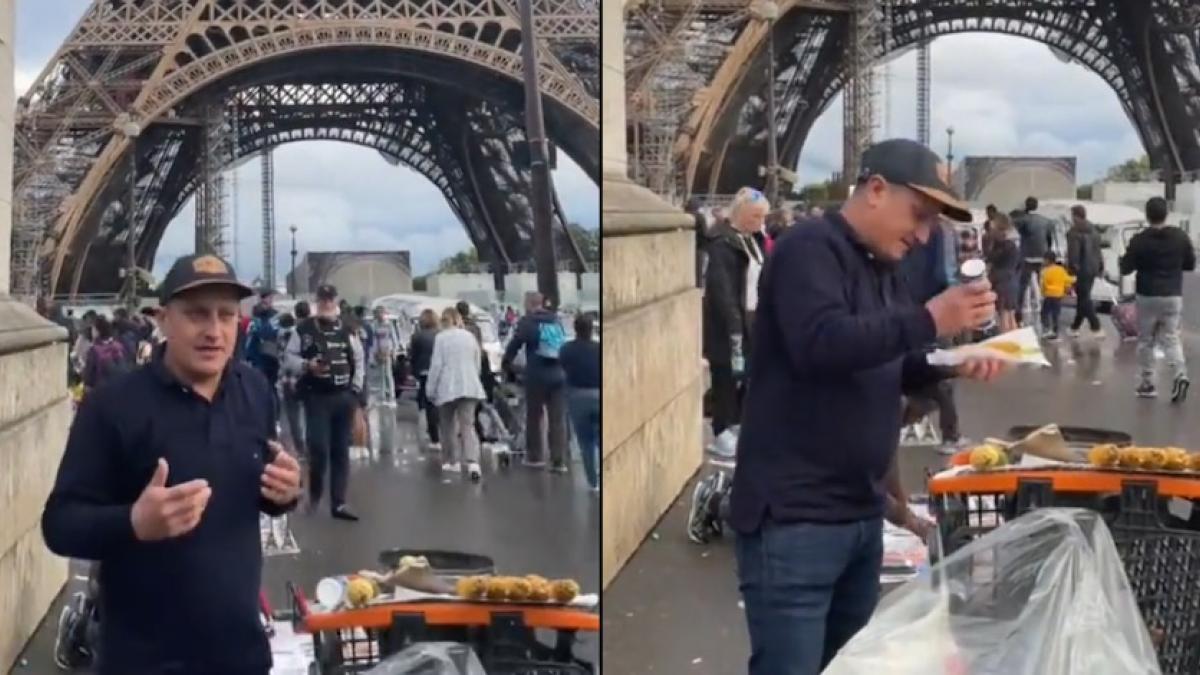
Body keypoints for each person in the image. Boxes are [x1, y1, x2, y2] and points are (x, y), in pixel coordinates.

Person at [730, 139, 1008, 675]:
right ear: (876, 190)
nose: (924, 234)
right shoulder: (807, 249)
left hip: (859, 515)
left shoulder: (883, 267)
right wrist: (931, 319)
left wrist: (956, 359)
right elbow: (822, 344)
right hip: (795, 519)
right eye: (919, 215)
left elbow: (887, 363)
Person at [42, 253, 302, 675]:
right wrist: (133, 522)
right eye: (196, 314)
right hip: (144, 661)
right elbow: (59, 525)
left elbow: (250, 493)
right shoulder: (112, 407)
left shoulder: (254, 391)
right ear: (163, 319)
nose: (214, 331)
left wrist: (284, 494)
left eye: (226, 314)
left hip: (241, 654)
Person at [284, 284, 363, 520]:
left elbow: (358, 358)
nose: (327, 303)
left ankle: (339, 503)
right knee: (318, 449)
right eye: (323, 299)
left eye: (330, 299)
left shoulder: (348, 329)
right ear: (316, 302)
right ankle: (315, 494)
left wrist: (355, 391)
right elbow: (288, 357)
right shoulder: (303, 329)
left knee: (341, 451)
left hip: (343, 397)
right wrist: (308, 366)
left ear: (336, 301)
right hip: (316, 397)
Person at [703, 187, 768, 438]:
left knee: (747, 374)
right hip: (732, 320)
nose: (760, 222)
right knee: (727, 376)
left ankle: (737, 423)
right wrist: (734, 325)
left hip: (753, 316)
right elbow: (723, 290)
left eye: (762, 217)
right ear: (740, 213)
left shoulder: (751, 240)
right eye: (755, 216)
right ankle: (722, 429)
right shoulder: (722, 243)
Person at [1120, 196, 1195, 401]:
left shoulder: (1139, 239)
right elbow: (1190, 264)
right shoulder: (1180, 236)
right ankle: (1180, 373)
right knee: (1171, 338)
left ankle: (1148, 383)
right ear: (1166, 214)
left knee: (1146, 340)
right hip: (1172, 294)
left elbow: (1125, 268)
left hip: (1147, 295)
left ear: (1147, 215)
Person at [501, 292, 570, 471]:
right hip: (559, 374)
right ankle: (558, 461)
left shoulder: (528, 322)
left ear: (530, 303)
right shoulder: (555, 320)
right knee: (557, 419)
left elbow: (514, 345)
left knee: (534, 416)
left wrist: (506, 364)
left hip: (537, 375)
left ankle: (535, 457)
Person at [427, 307, 487, 480]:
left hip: (447, 387)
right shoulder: (469, 336)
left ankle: (451, 460)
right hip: (470, 385)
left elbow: (437, 365)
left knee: (447, 425)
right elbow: (477, 361)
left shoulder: (441, 338)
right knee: (468, 425)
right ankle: (473, 462)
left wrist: (430, 389)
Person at [560, 314, 600, 492]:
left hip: (576, 396)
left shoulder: (566, 349)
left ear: (575, 329)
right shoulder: (599, 348)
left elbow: (563, 370)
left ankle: (593, 482)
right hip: (598, 394)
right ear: (592, 329)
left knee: (585, 442)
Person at [1014, 196, 1056, 324]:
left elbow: (1018, 232)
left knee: (1023, 286)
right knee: (1042, 284)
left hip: (1027, 257)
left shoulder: (1023, 220)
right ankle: (1045, 313)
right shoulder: (1047, 221)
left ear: (1026, 206)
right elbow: (1049, 240)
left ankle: (1019, 317)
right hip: (1042, 257)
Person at [1065, 204, 1105, 338]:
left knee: (1084, 298)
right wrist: (1101, 267)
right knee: (1083, 297)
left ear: (1075, 216)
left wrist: (1071, 269)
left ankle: (1096, 326)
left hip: (1081, 269)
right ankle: (1075, 327)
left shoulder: (1074, 232)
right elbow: (1098, 251)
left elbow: (1073, 253)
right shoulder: (1094, 231)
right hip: (1093, 268)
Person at [410, 309, 442, 448]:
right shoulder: (440, 335)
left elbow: (413, 356)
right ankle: (443, 430)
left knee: (428, 403)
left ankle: (434, 435)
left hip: (424, 371)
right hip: (440, 371)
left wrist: (414, 371)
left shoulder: (417, 336)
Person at [986, 212, 1022, 333]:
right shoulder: (1014, 244)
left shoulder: (1001, 246)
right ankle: (1016, 345)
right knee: (1011, 315)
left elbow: (991, 259)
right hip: (1012, 280)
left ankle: (1006, 344)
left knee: (1003, 317)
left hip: (1002, 282)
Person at [83, 316, 130, 393]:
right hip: (120, 389)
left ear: (98, 331)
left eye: (93, 329)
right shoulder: (119, 345)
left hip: (102, 392)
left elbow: (89, 377)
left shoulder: (94, 350)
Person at [368, 305, 401, 407]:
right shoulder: (374, 325)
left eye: (382, 313)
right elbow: (372, 341)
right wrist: (372, 354)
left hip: (387, 352)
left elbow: (394, 339)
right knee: (380, 375)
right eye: (378, 313)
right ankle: (382, 397)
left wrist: (394, 352)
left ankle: (391, 397)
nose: (380, 315)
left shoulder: (389, 325)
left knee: (388, 375)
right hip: (378, 352)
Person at [1040, 251, 1075, 340]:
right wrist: (1069, 286)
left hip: (1048, 295)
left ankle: (1047, 329)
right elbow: (1067, 280)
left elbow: (1042, 284)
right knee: (1056, 314)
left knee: (1044, 313)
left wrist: (1042, 293)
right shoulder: (1061, 269)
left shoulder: (1044, 271)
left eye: (1044, 260)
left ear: (1047, 260)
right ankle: (1055, 332)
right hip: (1058, 296)